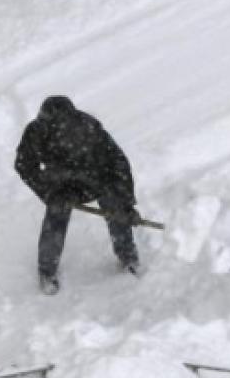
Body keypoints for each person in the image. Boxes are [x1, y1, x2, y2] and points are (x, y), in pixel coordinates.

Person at [14, 95, 141, 294]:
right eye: (50, 125)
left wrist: (127, 203)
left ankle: (128, 258)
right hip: (63, 185)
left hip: (97, 178)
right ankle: (47, 271)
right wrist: (48, 192)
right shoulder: (36, 131)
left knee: (116, 207)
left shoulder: (90, 129)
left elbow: (119, 163)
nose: (57, 130)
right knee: (56, 212)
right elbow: (24, 165)